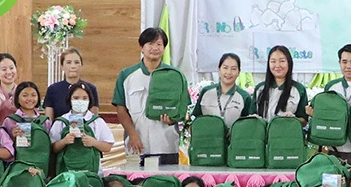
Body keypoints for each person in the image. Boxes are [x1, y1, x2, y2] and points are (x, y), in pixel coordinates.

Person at [113, 27, 182, 165]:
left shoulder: (175, 75)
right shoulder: (127, 75)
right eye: (150, 44)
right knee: (137, 178)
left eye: (159, 44)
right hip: (137, 145)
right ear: (141, 47)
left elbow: (182, 107)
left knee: (166, 178)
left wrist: (172, 119)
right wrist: (133, 135)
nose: (155, 48)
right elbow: (121, 109)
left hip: (166, 144)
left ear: (164, 48)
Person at [191, 52, 254, 129]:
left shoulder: (244, 96)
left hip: (233, 136)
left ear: (238, 72)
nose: (229, 72)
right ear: (219, 69)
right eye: (225, 68)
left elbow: (247, 125)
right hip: (206, 136)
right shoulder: (206, 92)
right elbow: (195, 118)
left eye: (233, 69)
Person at [253, 45, 309, 122]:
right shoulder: (260, 88)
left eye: (282, 61)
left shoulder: (299, 89)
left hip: (286, 129)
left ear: (289, 63)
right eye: (273, 61)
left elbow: (304, 120)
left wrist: (293, 119)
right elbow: (251, 115)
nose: (277, 65)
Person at [44, 48, 100, 121]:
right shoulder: (53, 89)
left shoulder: (91, 88)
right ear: (62, 66)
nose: (73, 66)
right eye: (69, 62)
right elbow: (49, 120)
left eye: (76, 62)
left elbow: (94, 119)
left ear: (81, 66)